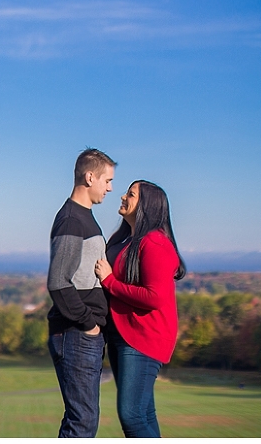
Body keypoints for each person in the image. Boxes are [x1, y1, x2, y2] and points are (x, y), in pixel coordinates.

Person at [94, 180, 186, 438]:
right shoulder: (125, 239)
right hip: (121, 334)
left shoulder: (155, 243)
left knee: (131, 415)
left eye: (131, 194)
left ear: (146, 206)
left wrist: (109, 281)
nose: (122, 196)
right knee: (143, 413)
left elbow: (154, 297)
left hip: (144, 338)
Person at [47, 148, 116, 438]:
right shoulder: (72, 220)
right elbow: (59, 283)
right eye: (107, 180)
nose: (110, 188)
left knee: (83, 420)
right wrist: (89, 324)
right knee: (82, 422)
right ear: (90, 177)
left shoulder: (85, 217)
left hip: (82, 335)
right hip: (76, 334)